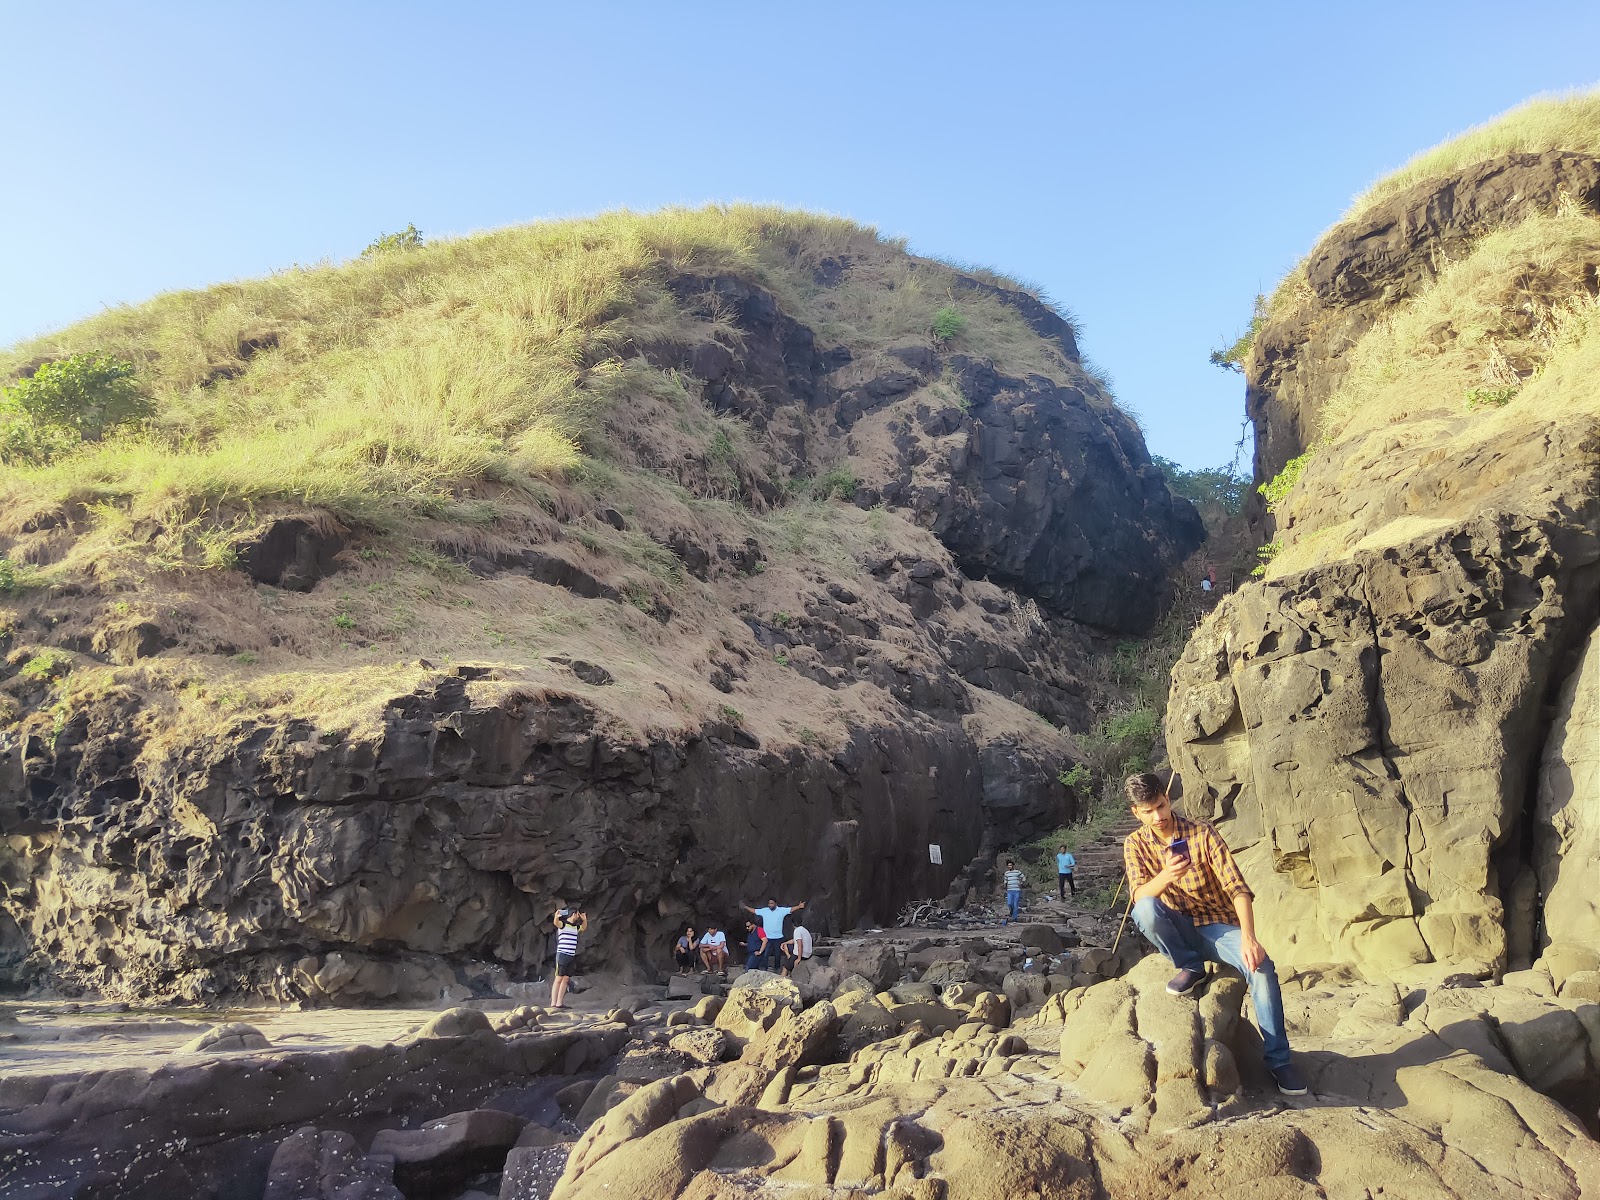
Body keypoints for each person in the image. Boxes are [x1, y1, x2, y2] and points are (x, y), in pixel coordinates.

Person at [1122, 770, 1307, 1096]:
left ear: (1168, 800)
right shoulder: (1135, 844)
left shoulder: (1202, 834)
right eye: (1148, 811)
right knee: (1146, 909)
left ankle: (1279, 1061)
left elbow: (1238, 889)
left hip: (1216, 927)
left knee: (1262, 968)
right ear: (1137, 813)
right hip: (1178, 929)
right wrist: (1167, 874)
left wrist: (1249, 937)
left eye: (1161, 806)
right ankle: (1190, 966)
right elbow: (1139, 895)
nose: (1159, 816)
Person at [744, 897, 806, 973]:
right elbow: (754, 911)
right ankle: (764, 968)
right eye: (769, 903)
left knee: (777, 954)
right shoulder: (765, 911)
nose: (770, 905)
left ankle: (777, 968)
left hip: (778, 937)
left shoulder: (781, 910)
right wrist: (746, 907)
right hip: (768, 937)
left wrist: (799, 907)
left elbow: (790, 909)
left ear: (776, 904)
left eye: (772, 903)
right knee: (766, 953)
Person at [550, 903, 587, 1009]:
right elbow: (556, 923)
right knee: (558, 978)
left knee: (566, 979)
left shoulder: (576, 927)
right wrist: (556, 917)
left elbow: (584, 928)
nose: (578, 916)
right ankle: (553, 1002)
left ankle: (559, 1003)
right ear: (573, 914)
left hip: (571, 955)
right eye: (577, 914)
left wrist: (584, 919)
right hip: (562, 955)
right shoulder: (563, 924)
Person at [1002, 859, 1025, 924]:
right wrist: (1005, 887)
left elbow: (1023, 877)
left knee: (1015, 904)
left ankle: (1015, 918)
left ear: (1013, 866)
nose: (1009, 866)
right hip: (1009, 890)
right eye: (1008, 865)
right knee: (1009, 903)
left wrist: (1021, 883)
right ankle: (1011, 911)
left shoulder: (1017, 872)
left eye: (1010, 865)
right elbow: (1005, 881)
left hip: (1017, 890)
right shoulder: (1006, 873)